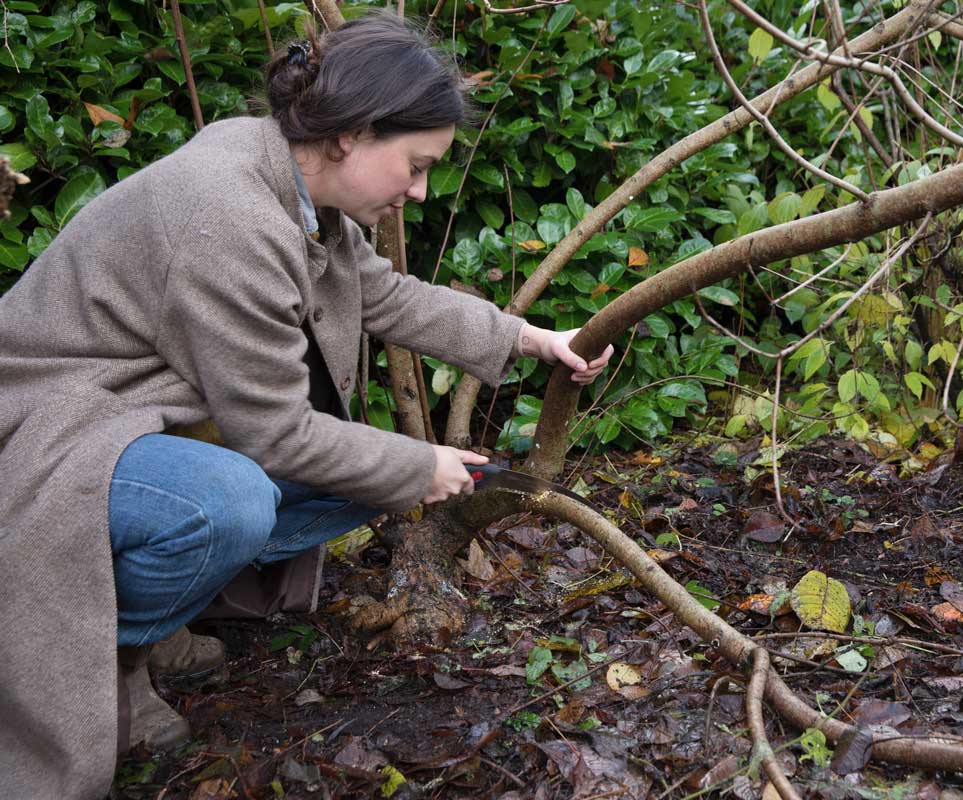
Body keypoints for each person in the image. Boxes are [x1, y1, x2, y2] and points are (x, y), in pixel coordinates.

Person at [0, 13, 613, 798]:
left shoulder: (284, 173)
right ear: (354, 133)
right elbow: (276, 433)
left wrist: (530, 338)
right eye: (416, 164)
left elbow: (380, 292)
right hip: (47, 428)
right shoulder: (228, 217)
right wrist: (415, 463)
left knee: (357, 475)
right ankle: (115, 655)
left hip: (130, 414)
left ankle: (160, 611)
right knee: (232, 501)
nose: (418, 191)